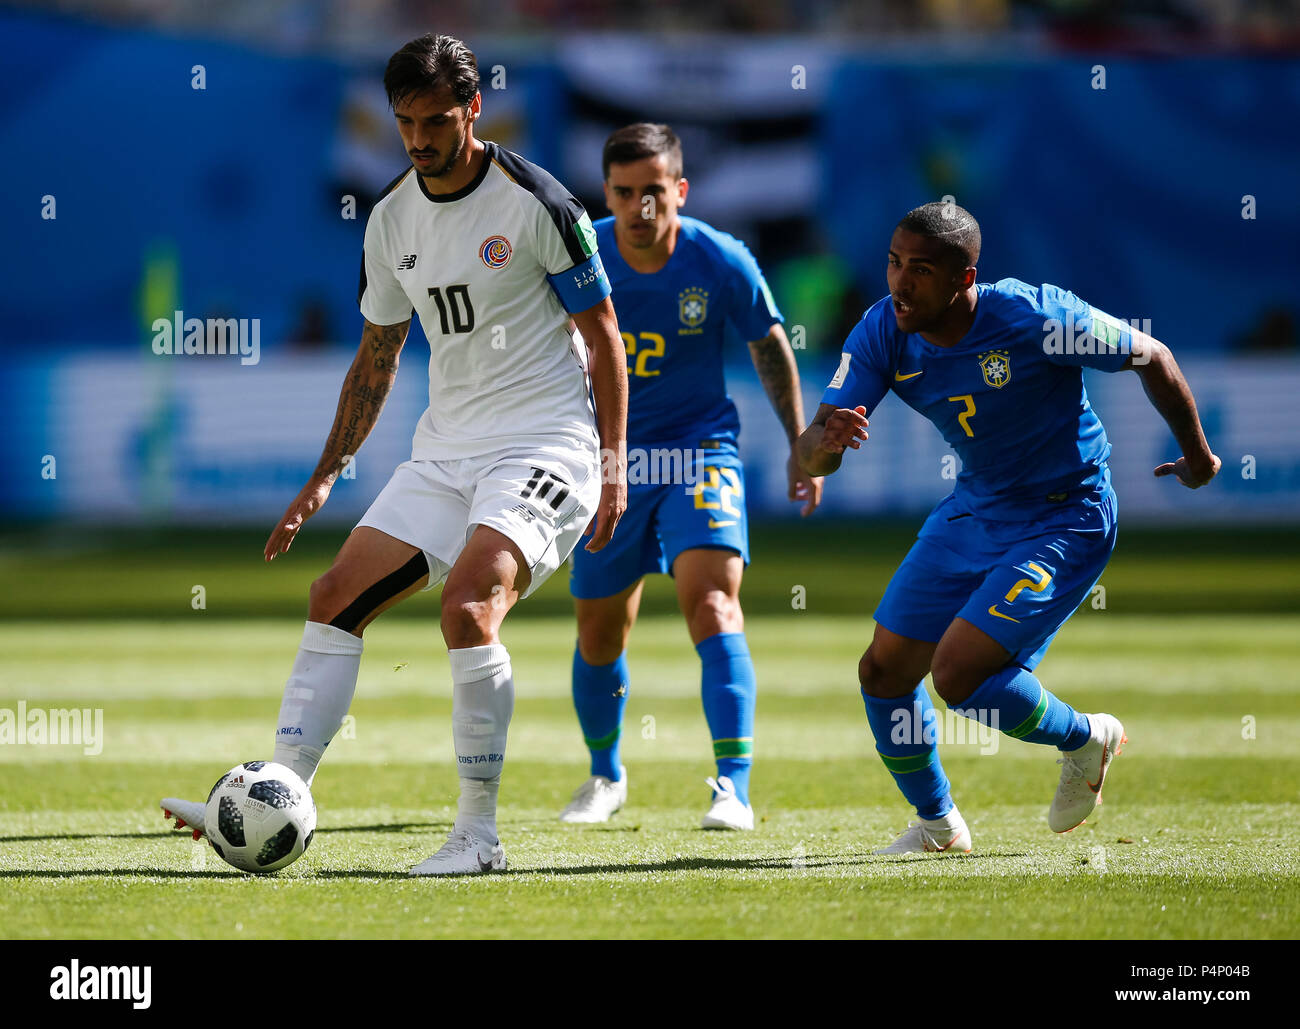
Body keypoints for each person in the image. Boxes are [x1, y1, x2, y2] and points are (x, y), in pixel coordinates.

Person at [161, 33, 628, 876]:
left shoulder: (537, 201)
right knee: (334, 593)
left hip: (546, 444)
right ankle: (273, 801)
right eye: (405, 122)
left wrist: (616, 461)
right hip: (446, 450)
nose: (418, 139)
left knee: (467, 605)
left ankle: (478, 836)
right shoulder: (389, 219)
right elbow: (377, 357)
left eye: (436, 120)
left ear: (474, 109)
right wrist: (323, 476)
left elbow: (604, 332)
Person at [797, 201, 1219, 853]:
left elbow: (1151, 355)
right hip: (976, 507)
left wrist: (1197, 454)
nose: (901, 283)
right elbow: (810, 449)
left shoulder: (1034, 318)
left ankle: (1084, 738)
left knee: (957, 674)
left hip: (1066, 513)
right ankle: (938, 827)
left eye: (922, 270)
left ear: (965, 279)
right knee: (882, 671)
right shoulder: (883, 330)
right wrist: (829, 443)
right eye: (893, 263)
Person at [558, 123, 821, 830]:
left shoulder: (721, 259)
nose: (641, 209)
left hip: (700, 450)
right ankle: (605, 773)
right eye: (623, 193)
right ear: (605, 193)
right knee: (600, 631)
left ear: (680, 189)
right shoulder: (580, 259)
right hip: (609, 458)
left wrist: (799, 440)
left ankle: (732, 786)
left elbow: (769, 343)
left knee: (712, 603)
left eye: (654, 192)